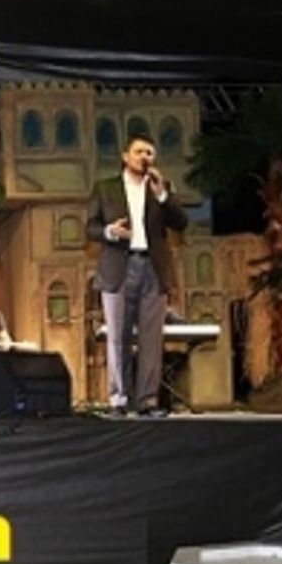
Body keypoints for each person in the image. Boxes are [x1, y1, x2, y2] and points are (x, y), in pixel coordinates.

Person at [86, 134, 189, 417]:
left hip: (153, 268)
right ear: (125, 156)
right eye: (139, 151)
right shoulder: (105, 188)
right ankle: (118, 400)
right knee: (118, 337)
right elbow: (90, 227)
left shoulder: (160, 188)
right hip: (119, 267)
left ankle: (147, 401)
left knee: (151, 339)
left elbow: (181, 222)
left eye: (150, 153)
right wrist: (110, 231)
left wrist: (163, 196)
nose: (145, 157)